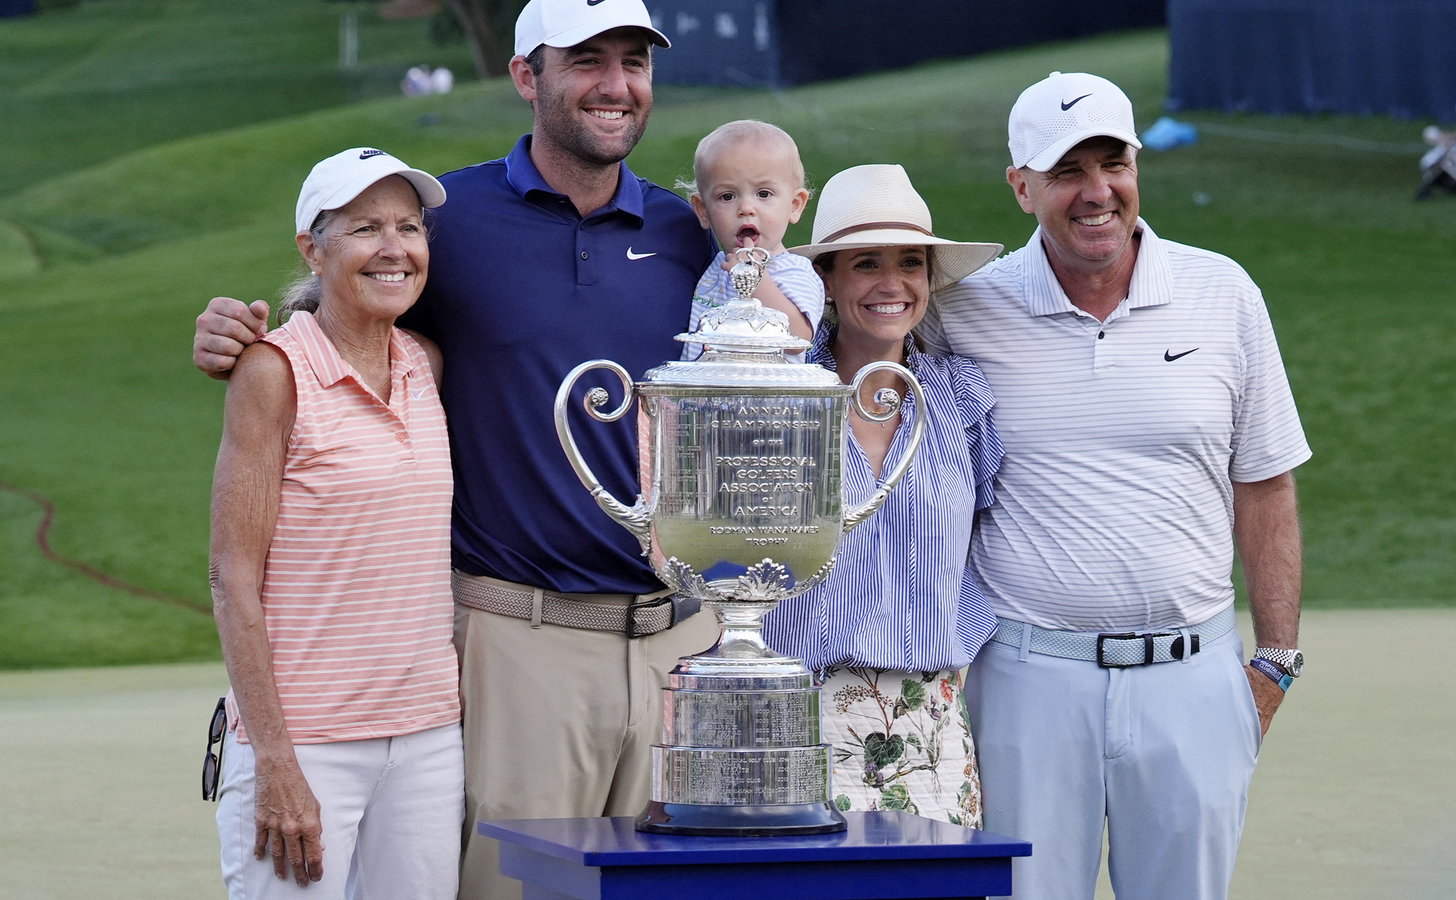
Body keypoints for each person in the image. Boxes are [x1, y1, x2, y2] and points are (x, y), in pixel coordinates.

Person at [193, 2, 721, 897]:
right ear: (525, 76)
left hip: (676, 644)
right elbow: (342, 314)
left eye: (633, 61)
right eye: (585, 60)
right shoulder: (454, 219)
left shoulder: (686, 233)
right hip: (522, 641)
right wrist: (234, 337)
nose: (615, 84)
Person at [923, 72, 1312, 899]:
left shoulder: (1224, 292)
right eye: (1067, 171)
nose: (1097, 192)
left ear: (1136, 167)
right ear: (1021, 187)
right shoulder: (964, 310)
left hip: (1194, 679)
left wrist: (1275, 664)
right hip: (1025, 682)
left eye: (1114, 164)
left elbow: (1266, 485)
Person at [208, 147, 462, 898]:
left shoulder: (424, 364)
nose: (394, 248)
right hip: (306, 740)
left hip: (427, 736)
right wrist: (275, 761)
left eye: (408, 228)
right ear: (312, 250)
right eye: (364, 229)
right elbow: (231, 577)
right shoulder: (272, 372)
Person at [764, 164, 1003, 826]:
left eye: (910, 263)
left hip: (932, 728)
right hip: (798, 716)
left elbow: (982, 537)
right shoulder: (775, 396)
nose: (892, 283)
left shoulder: (961, 399)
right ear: (827, 280)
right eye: (866, 263)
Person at [681, 119, 823, 361]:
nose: (746, 208)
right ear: (703, 210)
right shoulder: (715, 268)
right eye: (727, 196)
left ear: (794, 205)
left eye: (763, 194)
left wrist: (754, 278)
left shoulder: (794, 272)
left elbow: (799, 339)